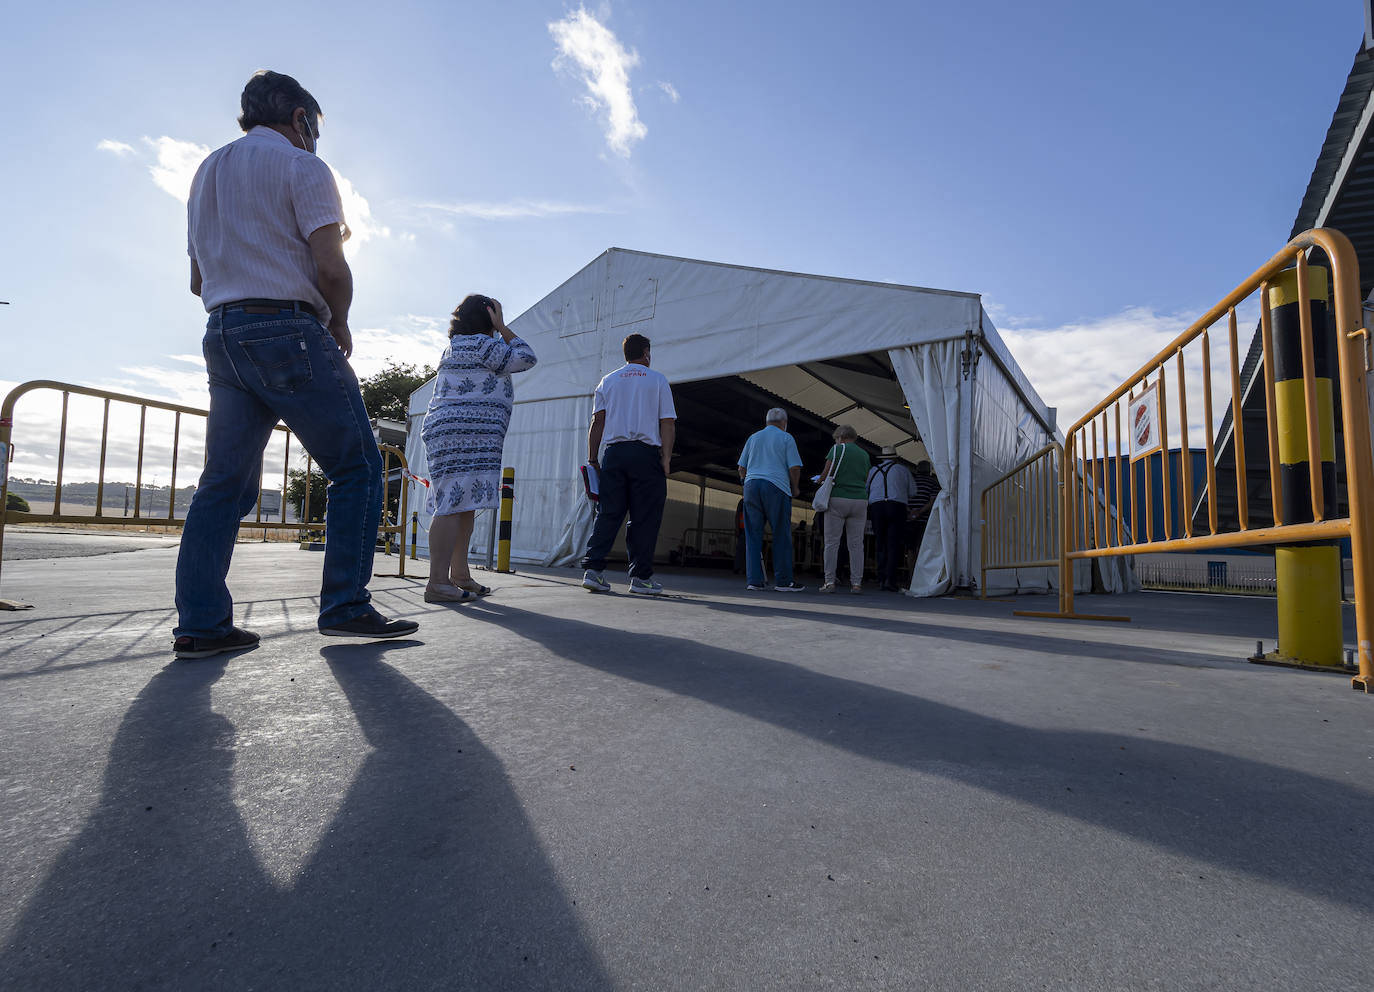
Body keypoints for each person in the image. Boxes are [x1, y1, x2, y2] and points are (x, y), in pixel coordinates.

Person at [173, 70, 417, 659]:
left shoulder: (206, 172)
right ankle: (346, 606)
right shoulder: (303, 166)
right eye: (315, 127)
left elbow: (197, 279)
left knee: (223, 483)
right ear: (301, 119)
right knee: (357, 466)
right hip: (287, 328)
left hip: (222, 332)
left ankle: (201, 625)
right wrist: (339, 321)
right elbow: (331, 266)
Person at [420, 296, 537, 603]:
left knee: (463, 503)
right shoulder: (483, 345)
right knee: (450, 504)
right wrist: (502, 327)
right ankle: (437, 583)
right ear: (488, 316)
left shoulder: (458, 346)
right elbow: (526, 357)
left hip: (459, 435)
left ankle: (458, 575)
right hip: (462, 436)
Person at [581, 334, 677, 595]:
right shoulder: (657, 380)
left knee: (608, 513)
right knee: (644, 517)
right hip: (645, 455)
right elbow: (667, 423)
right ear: (646, 352)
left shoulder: (608, 381)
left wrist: (593, 458)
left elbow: (597, 422)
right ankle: (640, 579)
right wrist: (666, 458)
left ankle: (593, 571)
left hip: (614, 454)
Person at [736, 408, 805, 592]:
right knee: (781, 534)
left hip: (751, 486)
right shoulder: (786, 438)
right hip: (776, 487)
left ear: (766, 421)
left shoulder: (753, 437)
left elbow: (741, 468)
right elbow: (794, 467)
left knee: (752, 535)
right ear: (784, 423)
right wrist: (795, 487)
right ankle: (783, 581)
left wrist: (745, 483)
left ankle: (754, 581)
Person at [818, 425, 871, 594]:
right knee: (856, 545)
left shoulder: (836, 449)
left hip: (838, 498)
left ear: (840, 437)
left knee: (832, 542)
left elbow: (826, 473)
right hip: (860, 500)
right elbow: (865, 477)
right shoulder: (864, 454)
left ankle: (829, 581)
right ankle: (856, 584)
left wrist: (818, 481)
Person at [867, 446, 915, 592]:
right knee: (893, 544)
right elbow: (913, 491)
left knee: (880, 543)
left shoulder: (873, 470)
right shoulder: (903, 470)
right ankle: (890, 579)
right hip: (896, 506)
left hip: (877, 506)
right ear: (895, 458)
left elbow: (866, 488)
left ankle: (881, 578)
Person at [906, 461, 941, 571]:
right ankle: (920, 575)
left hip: (909, 520)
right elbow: (932, 501)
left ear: (917, 469)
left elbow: (903, 498)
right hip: (924, 521)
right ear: (930, 471)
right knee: (921, 548)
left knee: (910, 549)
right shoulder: (933, 483)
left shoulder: (910, 481)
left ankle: (911, 576)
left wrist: (911, 512)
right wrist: (920, 512)